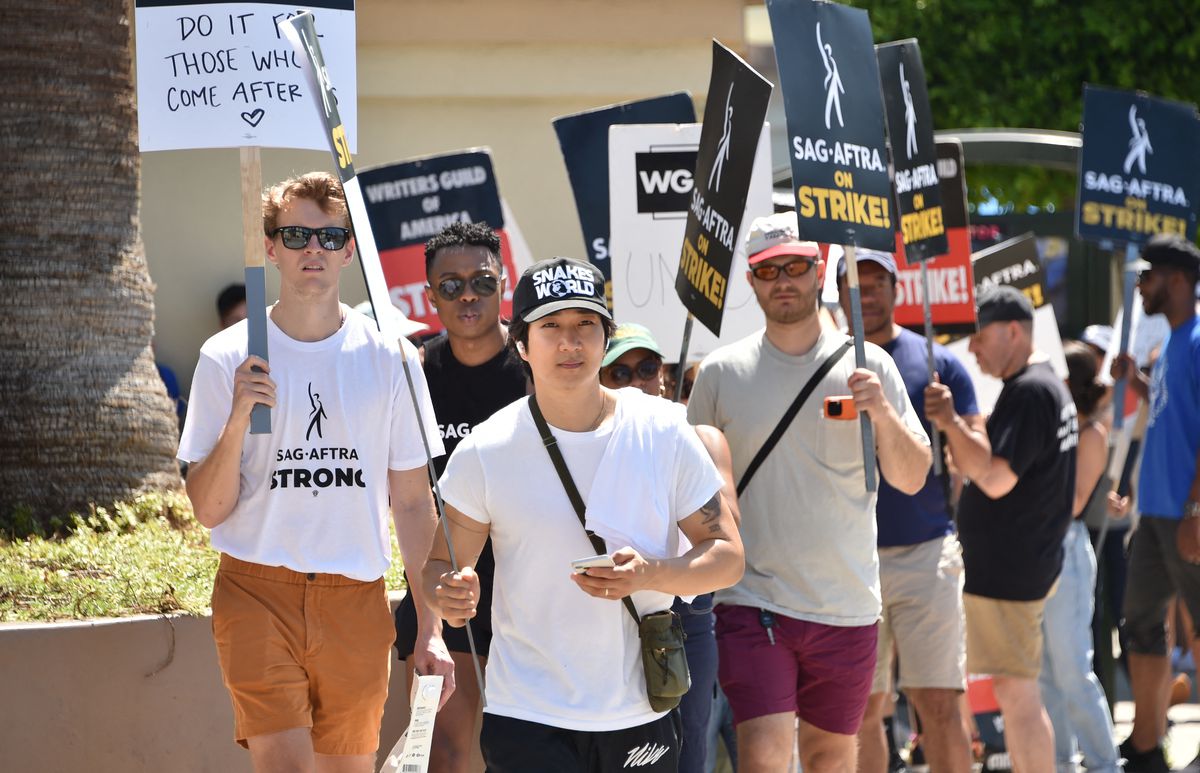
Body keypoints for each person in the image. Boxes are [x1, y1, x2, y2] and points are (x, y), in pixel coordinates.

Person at [177, 172, 454, 772]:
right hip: (256, 590)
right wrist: (237, 418)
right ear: (270, 248)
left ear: (350, 250)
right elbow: (207, 509)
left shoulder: (393, 358)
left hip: (354, 597)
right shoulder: (226, 356)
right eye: (297, 234)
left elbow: (411, 502)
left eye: (330, 237)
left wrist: (429, 628)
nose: (314, 250)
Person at [423, 257, 745, 773]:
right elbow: (439, 564)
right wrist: (450, 593)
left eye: (584, 325)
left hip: (639, 706)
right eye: (550, 326)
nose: (569, 343)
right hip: (527, 712)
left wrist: (651, 573)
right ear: (522, 345)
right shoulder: (486, 449)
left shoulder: (665, 431)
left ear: (604, 336)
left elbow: (727, 557)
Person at [688, 212, 932, 773]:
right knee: (767, 754)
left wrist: (883, 414)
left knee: (829, 758)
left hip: (847, 604)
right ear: (750, 281)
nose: (783, 281)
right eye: (768, 270)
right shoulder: (720, 374)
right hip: (752, 601)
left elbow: (913, 476)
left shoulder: (870, 364)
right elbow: (690, 488)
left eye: (795, 266)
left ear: (821, 271)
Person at [835, 249, 986, 773]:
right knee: (862, 711)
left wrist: (950, 423)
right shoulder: (821, 364)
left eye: (877, 282)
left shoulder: (940, 364)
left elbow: (979, 464)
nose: (867, 294)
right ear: (837, 293)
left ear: (898, 290)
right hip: (850, 559)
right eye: (855, 283)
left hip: (926, 552)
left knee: (939, 703)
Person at [392, 222, 527, 773]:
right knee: (444, 756)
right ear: (430, 296)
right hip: (442, 586)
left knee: (521, 756)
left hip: (528, 588)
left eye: (481, 281)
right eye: (450, 286)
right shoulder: (414, 373)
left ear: (503, 284)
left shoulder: (535, 369)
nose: (467, 295)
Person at [600, 322, 741, 773]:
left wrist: (674, 451)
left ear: (663, 373)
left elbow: (731, 533)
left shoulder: (699, 437)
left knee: (688, 750)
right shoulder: (589, 446)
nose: (637, 381)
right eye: (619, 374)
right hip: (614, 612)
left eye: (646, 368)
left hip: (688, 617)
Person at [954, 284, 1078, 773]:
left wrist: (953, 429)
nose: (972, 348)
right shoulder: (1041, 384)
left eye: (980, 336)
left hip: (1010, 571)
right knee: (1016, 688)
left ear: (1013, 331)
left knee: (1017, 692)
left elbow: (997, 478)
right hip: (1020, 566)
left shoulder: (1029, 390)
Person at [1110, 234, 1200, 773]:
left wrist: (1195, 513)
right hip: (1156, 514)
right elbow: (1177, 410)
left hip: (1187, 515)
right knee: (1141, 624)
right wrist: (1139, 383)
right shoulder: (1172, 341)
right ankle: (1147, 745)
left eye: (1147, 276)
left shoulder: (1197, 339)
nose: (1140, 286)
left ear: (1176, 279)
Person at [1038, 340, 1119, 773]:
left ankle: (1106, 765)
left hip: (1066, 551)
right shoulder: (1053, 427)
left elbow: (1072, 501)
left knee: (1073, 671)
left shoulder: (1091, 435)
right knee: (1045, 674)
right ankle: (1060, 764)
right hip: (1038, 553)